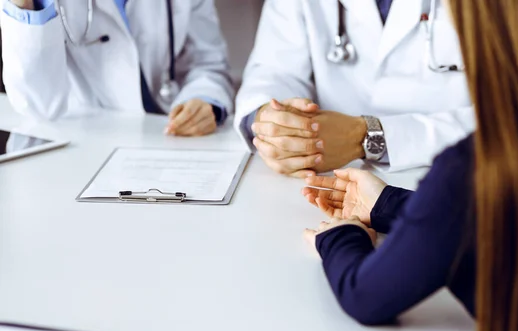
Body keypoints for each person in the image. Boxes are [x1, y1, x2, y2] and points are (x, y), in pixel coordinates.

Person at [302, 0, 518, 331]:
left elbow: (364, 295)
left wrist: (340, 235)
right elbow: (471, 223)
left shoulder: (472, 172)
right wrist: (386, 205)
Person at [235, 0, 474, 177]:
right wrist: (274, 122)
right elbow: (275, 69)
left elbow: (508, 118)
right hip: (331, 179)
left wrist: (366, 136)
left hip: (458, 175)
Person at [0, 0, 234, 137]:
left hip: (163, 139)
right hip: (67, 148)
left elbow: (207, 62)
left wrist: (203, 99)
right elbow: (41, 106)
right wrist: (22, 4)